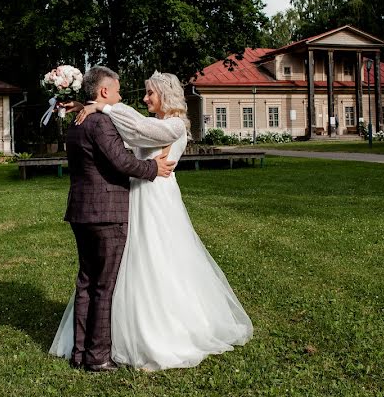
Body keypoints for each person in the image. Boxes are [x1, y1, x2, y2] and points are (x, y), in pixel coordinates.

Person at [50, 71, 253, 371]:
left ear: (166, 96)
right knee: (127, 269)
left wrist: (100, 106)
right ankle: (110, 338)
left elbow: (137, 128)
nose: (144, 98)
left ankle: (157, 333)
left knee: (157, 263)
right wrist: (86, 104)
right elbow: (125, 131)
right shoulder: (150, 125)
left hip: (157, 199)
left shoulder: (173, 126)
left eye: (150, 93)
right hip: (137, 195)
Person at [58, 66, 176, 373]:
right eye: (118, 89)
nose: (123, 95)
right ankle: (97, 357)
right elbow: (121, 161)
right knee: (103, 286)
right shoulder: (100, 122)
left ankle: (80, 352)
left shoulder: (77, 122)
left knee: (85, 282)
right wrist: (154, 170)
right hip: (106, 214)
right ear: (104, 92)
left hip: (80, 212)